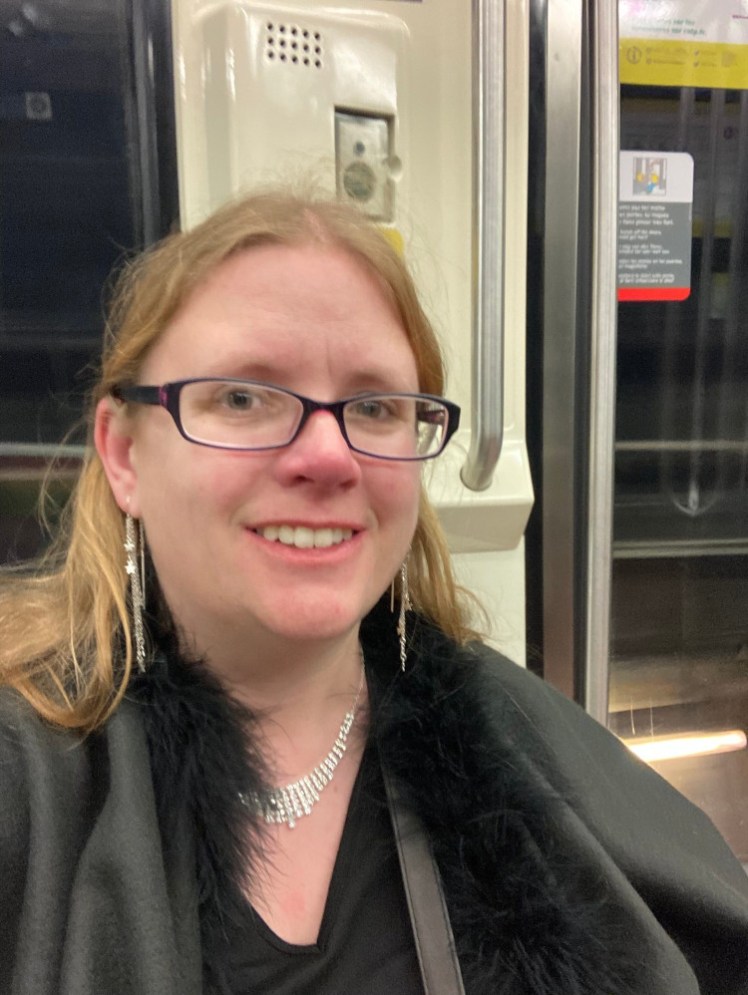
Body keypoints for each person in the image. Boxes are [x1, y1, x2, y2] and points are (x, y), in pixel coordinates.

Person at [1, 190, 747, 995]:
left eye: (377, 406)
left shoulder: (519, 738)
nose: (329, 456)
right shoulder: (28, 771)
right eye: (244, 396)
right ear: (123, 453)